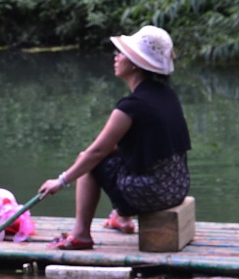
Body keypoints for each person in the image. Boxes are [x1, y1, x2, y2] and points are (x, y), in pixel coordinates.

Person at [38, 25, 191, 249]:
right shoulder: (166, 96)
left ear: (136, 64)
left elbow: (96, 153)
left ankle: (81, 235)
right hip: (177, 187)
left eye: (122, 54)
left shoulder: (132, 106)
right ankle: (122, 218)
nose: (116, 57)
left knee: (90, 163)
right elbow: (142, 145)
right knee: (112, 157)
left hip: (155, 193)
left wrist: (61, 181)